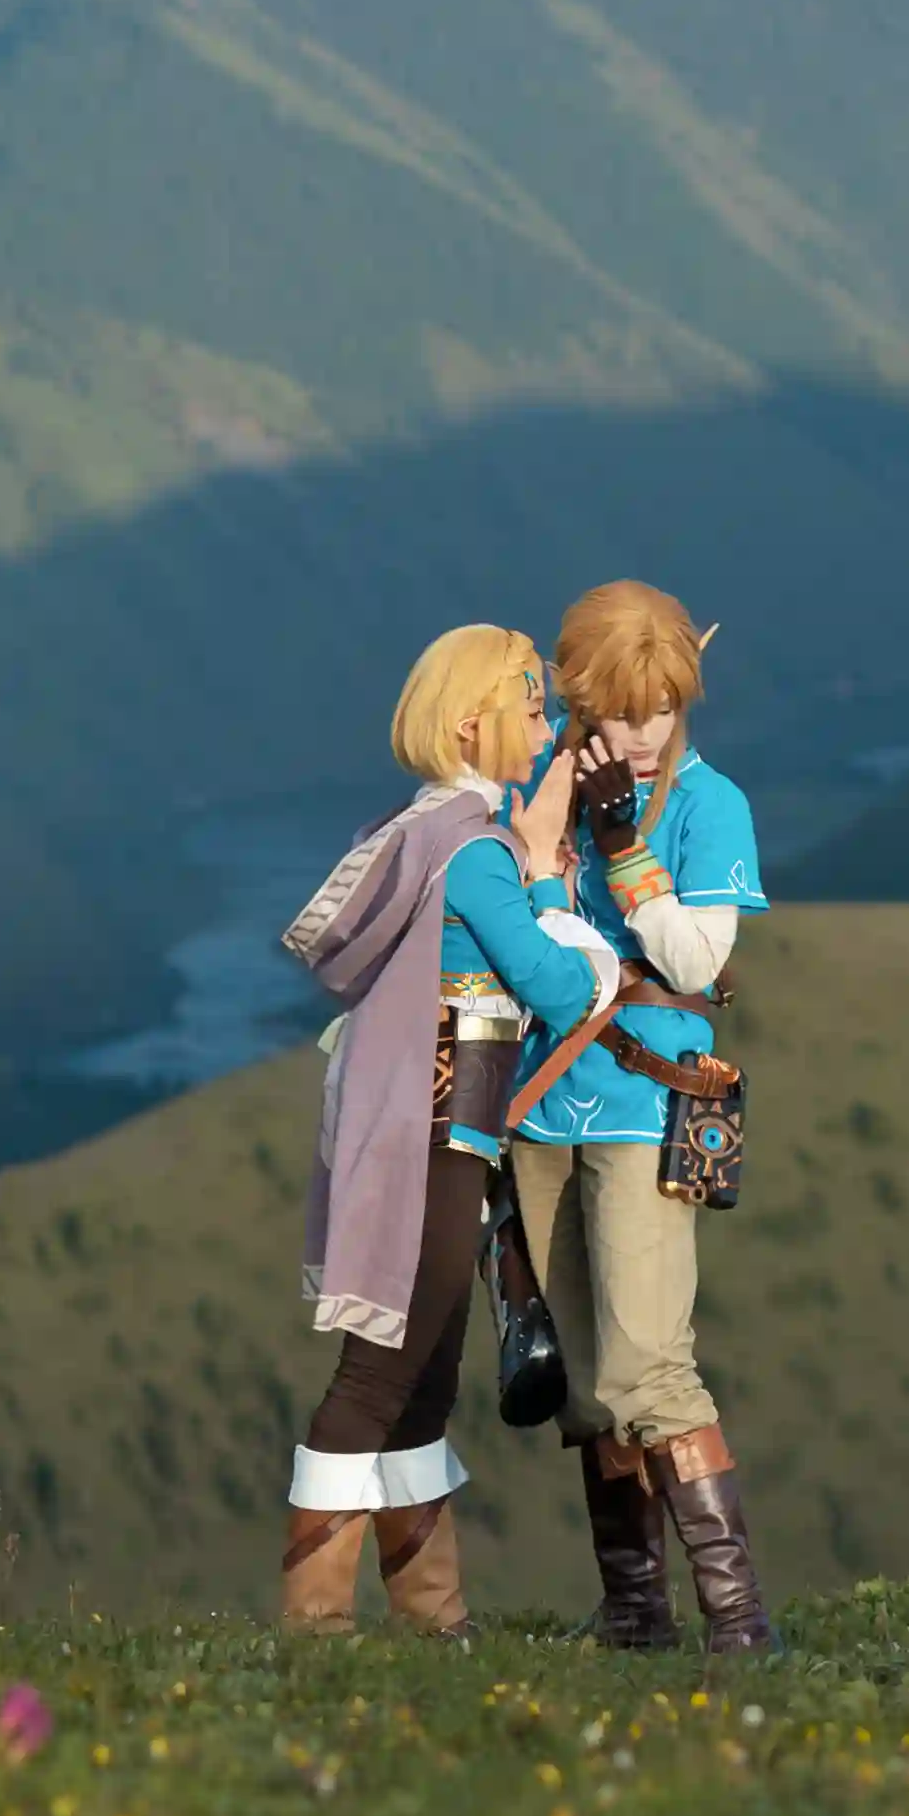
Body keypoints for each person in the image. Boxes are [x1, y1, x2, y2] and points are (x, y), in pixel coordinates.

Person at [273, 623, 617, 1636]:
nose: (545, 725)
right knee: (380, 1378)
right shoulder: (472, 856)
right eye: (530, 706)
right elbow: (557, 989)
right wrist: (559, 894)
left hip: (422, 1136)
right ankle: (317, 1627)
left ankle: (435, 1619)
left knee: (421, 1378)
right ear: (475, 720)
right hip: (438, 1142)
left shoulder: (421, 832)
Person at [504, 580, 777, 1655]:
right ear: (578, 700)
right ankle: (633, 1613)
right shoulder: (532, 783)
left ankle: (739, 1623)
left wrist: (621, 851)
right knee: (582, 1375)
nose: (645, 732)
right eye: (621, 711)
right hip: (536, 1106)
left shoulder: (712, 804)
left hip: (644, 1102)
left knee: (650, 1365)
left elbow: (699, 961)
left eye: (662, 708)